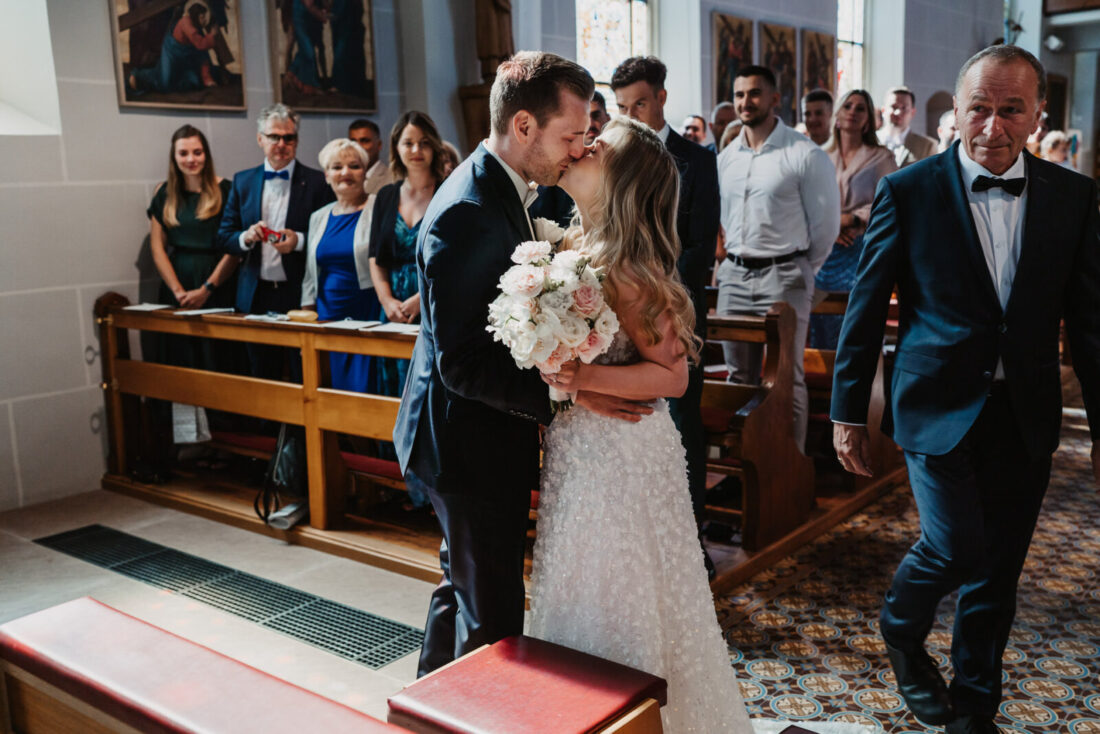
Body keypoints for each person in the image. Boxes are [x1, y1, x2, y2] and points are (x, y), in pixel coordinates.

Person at [832, 45, 1100, 734]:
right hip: (934, 403)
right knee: (956, 547)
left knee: (999, 569)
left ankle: (975, 703)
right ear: (956, 110)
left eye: (1012, 108)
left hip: (1027, 412)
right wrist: (846, 412)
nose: (993, 124)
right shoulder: (908, 190)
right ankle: (900, 626)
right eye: (979, 107)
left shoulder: (1073, 197)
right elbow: (864, 310)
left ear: (1037, 114)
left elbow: (1091, 325)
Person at [394, 52, 622, 676]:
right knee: (492, 616)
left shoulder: (505, 188)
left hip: (470, 435)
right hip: (467, 443)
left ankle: (424, 709)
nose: (577, 150)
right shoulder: (468, 208)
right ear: (524, 127)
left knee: (460, 591)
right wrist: (566, 394)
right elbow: (462, 362)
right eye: (569, 135)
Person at [527, 117, 753, 734]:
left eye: (597, 147)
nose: (583, 146)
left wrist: (579, 381)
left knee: (625, 596)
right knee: (577, 590)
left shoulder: (629, 267)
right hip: (581, 448)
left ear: (622, 181)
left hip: (626, 454)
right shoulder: (569, 249)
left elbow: (672, 378)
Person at [611, 55, 719, 577]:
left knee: (682, 423)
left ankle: (691, 537)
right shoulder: (611, 155)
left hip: (675, 306)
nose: (631, 114)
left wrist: (653, 288)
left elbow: (700, 244)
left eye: (640, 103)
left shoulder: (695, 159)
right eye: (621, 106)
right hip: (619, 302)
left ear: (661, 98)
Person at [716, 65, 840, 451]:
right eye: (739, 94)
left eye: (754, 93)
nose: (744, 102)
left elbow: (826, 227)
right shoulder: (727, 157)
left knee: (787, 375)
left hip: (784, 274)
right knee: (740, 376)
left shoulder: (804, 154)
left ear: (774, 99)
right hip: (734, 275)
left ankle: (791, 469)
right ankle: (746, 467)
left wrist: (800, 269)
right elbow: (725, 219)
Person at [218, 103, 333, 381]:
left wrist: (300, 241)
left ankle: (299, 428)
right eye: (274, 137)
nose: (281, 144)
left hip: (298, 294)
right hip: (256, 294)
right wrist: (246, 237)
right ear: (260, 139)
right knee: (262, 376)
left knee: (303, 374)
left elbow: (329, 238)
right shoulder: (243, 180)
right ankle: (266, 427)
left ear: (296, 141)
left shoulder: (318, 182)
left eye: (288, 137)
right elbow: (224, 236)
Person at [147, 125, 241, 371]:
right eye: (184, 153)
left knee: (218, 361)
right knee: (180, 360)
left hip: (217, 284)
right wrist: (178, 291)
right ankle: (185, 413)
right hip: (177, 285)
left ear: (206, 155)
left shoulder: (227, 190)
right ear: (174, 157)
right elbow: (157, 248)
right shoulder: (163, 192)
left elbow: (235, 249)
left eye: (197, 152)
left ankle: (220, 412)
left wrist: (207, 289)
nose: (191, 159)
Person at [369, 112, 446, 402]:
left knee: (428, 390)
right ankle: (389, 449)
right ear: (396, 147)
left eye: (424, 142)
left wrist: (420, 299)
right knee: (391, 388)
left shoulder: (448, 190)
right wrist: (387, 301)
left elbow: (454, 258)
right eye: (408, 143)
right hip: (393, 309)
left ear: (435, 147)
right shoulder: (386, 196)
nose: (416, 150)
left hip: (434, 301)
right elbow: (376, 258)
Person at [810, 90, 897, 349]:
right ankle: (824, 384)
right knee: (821, 323)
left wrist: (854, 219)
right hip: (825, 250)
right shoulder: (819, 155)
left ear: (868, 119)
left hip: (861, 246)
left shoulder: (881, 156)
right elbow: (809, 203)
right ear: (837, 116)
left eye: (860, 108)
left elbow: (890, 201)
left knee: (854, 323)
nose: (852, 112)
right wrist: (833, 226)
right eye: (847, 106)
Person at [301, 138, 381, 393]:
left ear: (364, 172)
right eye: (337, 167)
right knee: (330, 388)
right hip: (327, 315)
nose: (345, 173)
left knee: (366, 387)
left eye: (354, 166)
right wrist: (307, 318)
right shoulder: (318, 217)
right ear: (326, 175)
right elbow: (309, 275)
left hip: (367, 311)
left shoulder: (379, 206)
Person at [128, 3, 217, 95]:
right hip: (171, 53)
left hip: (183, 57)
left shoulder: (195, 26)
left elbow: (202, 54)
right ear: (195, 15)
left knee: (192, 81)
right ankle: (138, 75)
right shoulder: (186, 23)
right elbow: (201, 44)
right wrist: (212, 35)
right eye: (202, 17)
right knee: (165, 83)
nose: (204, 20)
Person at [878, 86, 937, 167]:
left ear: (912, 112)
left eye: (904, 108)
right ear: (883, 110)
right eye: (893, 107)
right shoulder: (869, 141)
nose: (898, 112)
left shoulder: (926, 146)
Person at [348, 119, 395, 195]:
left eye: (364, 141)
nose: (357, 147)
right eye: (353, 142)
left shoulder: (394, 179)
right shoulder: (345, 178)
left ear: (379, 145)